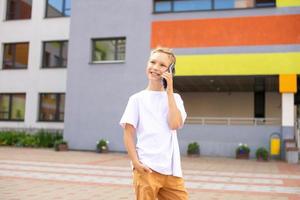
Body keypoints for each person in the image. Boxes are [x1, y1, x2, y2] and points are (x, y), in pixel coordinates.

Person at [120, 47, 188, 200]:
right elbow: (128, 133)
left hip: (172, 171)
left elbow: (174, 124)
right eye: (152, 62)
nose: (155, 67)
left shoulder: (175, 99)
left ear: (171, 70)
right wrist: (136, 163)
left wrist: (169, 90)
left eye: (162, 65)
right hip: (146, 169)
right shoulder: (136, 99)